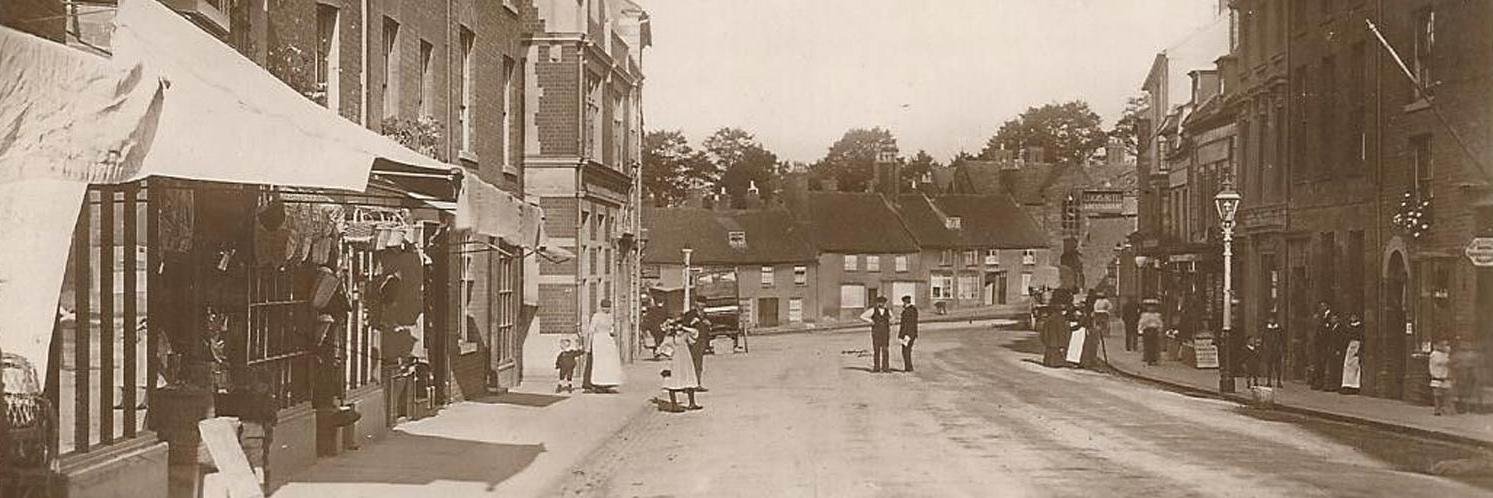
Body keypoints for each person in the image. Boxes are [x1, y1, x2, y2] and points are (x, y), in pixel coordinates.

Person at [661, 318, 703, 412]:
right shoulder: (669, 337)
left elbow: (695, 333)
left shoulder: (684, 335)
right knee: (673, 382)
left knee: (689, 378)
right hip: (674, 361)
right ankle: (674, 405)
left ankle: (692, 403)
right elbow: (662, 348)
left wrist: (684, 328)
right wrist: (669, 353)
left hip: (685, 359)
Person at [582, 299, 624, 393]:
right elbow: (591, 330)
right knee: (596, 362)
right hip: (598, 340)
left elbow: (612, 329)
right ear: (601, 307)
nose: (607, 309)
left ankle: (606, 383)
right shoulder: (596, 316)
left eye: (608, 307)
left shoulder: (610, 317)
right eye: (605, 307)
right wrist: (588, 345)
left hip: (607, 341)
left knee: (608, 362)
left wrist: (614, 335)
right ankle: (591, 384)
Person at [680, 298, 712, 391]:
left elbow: (709, 328)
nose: (702, 305)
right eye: (700, 303)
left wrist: (709, 324)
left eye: (703, 303)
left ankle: (697, 384)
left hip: (702, 340)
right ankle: (688, 385)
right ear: (696, 303)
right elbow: (683, 326)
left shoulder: (705, 315)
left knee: (699, 363)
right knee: (690, 362)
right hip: (692, 341)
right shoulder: (689, 314)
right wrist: (691, 323)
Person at [860, 297, 894, 373]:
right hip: (876, 332)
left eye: (883, 302)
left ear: (885, 303)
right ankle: (876, 368)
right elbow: (862, 316)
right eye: (880, 302)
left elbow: (893, 318)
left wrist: (891, 321)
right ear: (877, 303)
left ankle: (885, 367)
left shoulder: (888, 311)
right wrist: (870, 321)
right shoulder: (873, 310)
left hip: (885, 332)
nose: (881, 304)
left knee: (885, 350)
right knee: (876, 350)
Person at [1451, 338, 1483, 413]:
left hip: (1470, 375)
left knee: (1469, 392)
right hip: (1462, 375)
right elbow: (1451, 363)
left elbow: (1479, 364)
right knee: (1463, 393)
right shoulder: (1458, 354)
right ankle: (1464, 408)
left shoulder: (1474, 355)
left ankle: (1470, 408)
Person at [1309, 301, 1333, 390]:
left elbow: (1326, 330)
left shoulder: (1329, 316)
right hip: (1318, 343)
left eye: (1323, 306)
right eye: (1320, 306)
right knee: (1318, 363)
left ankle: (1322, 383)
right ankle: (1318, 382)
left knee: (1323, 363)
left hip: (1325, 343)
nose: (1321, 308)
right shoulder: (1319, 317)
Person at [1340, 313, 1364, 395]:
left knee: (1355, 367)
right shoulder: (1349, 326)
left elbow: (1360, 338)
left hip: (1356, 346)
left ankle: (1354, 386)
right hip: (1350, 346)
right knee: (1347, 366)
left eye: (1354, 317)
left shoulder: (1359, 327)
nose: (1352, 318)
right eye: (1351, 317)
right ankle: (1347, 384)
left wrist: (1359, 349)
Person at [1429, 340, 1453, 416]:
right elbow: (1439, 362)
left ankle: (1445, 409)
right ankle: (1437, 410)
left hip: (1445, 377)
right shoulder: (1435, 354)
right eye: (1445, 345)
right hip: (1437, 377)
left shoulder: (1446, 354)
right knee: (1437, 395)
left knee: (1447, 394)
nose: (1447, 347)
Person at [1138, 298, 1163, 366]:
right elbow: (1141, 323)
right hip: (1147, 330)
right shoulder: (1144, 315)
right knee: (1147, 345)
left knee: (1154, 345)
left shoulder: (1157, 315)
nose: (1151, 308)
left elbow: (1160, 323)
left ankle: (1154, 358)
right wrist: (1140, 330)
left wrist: (1160, 330)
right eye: (1149, 306)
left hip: (1154, 331)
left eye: (1153, 306)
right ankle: (1147, 357)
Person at [1262, 316, 1285, 388]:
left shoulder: (1279, 329)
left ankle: (1278, 381)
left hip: (1277, 350)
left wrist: (1282, 349)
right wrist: (1264, 348)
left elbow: (1283, 340)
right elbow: (1263, 339)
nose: (1271, 320)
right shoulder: (1266, 329)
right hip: (1269, 350)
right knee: (1269, 367)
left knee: (1278, 367)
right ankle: (1269, 381)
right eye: (1270, 319)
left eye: (1272, 319)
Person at [898, 295, 919, 373]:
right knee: (908, 350)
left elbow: (906, 324)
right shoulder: (914, 310)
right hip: (912, 333)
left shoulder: (907, 311)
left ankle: (908, 367)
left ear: (905, 302)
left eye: (903, 302)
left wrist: (903, 335)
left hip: (907, 334)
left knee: (905, 351)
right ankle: (909, 367)